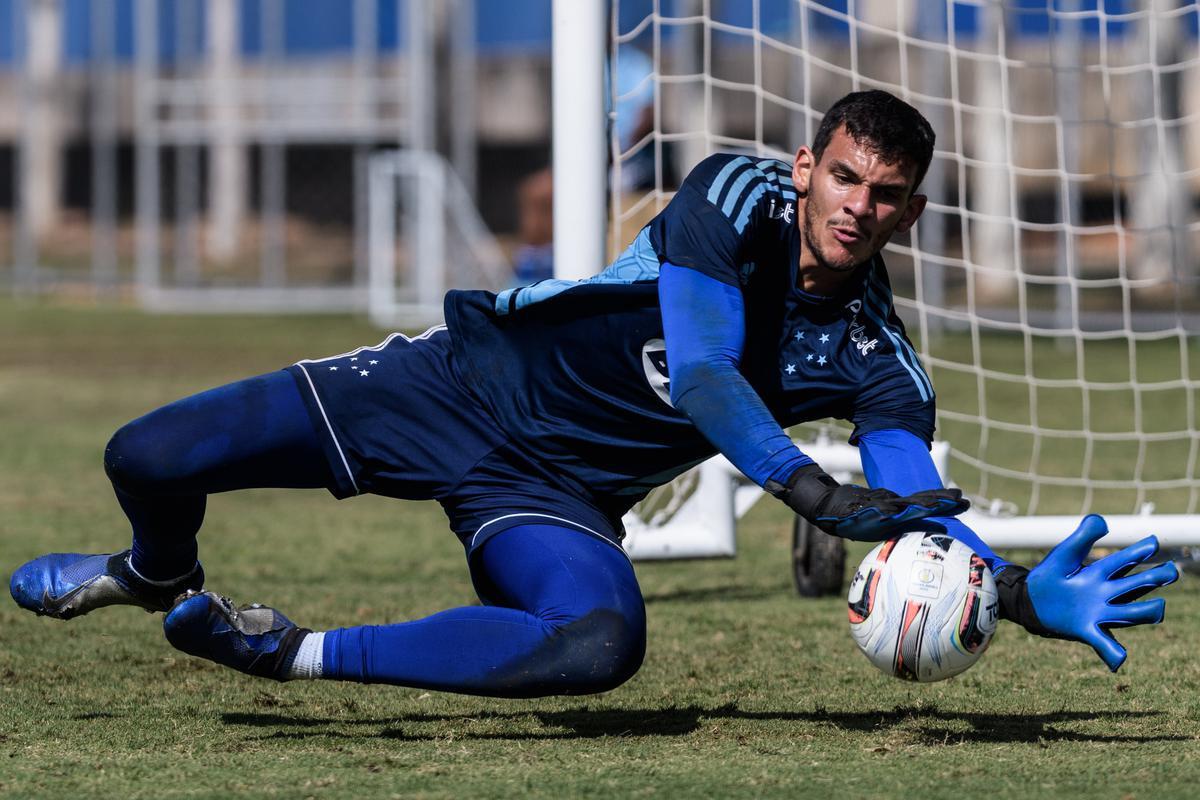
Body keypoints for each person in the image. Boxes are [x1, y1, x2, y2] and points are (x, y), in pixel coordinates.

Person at [11, 91, 1177, 695]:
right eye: (847, 176)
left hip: (552, 490)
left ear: (912, 213)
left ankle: (289, 651)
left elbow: (914, 493)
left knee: (600, 637)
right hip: (446, 382)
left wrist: (1009, 592)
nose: (859, 205)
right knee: (147, 452)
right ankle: (154, 566)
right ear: (807, 166)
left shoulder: (882, 356)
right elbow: (710, 367)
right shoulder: (732, 194)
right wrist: (807, 490)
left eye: (889, 194)